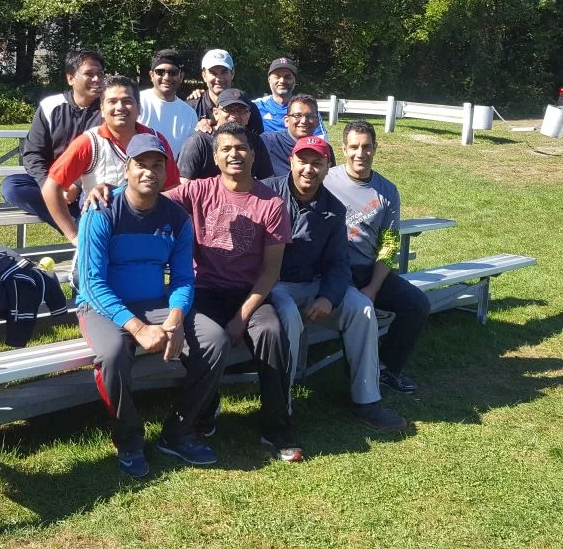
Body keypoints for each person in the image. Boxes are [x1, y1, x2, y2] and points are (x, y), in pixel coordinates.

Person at [76, 134, 227, 476]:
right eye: (141, 164)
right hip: (101, 307)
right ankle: (129, 440)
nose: (149, 172)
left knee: (215, 340)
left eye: (158, 165)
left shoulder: (176, 217)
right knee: (113, 354)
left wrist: (174, 319)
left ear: (167, 171)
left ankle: (178, 431)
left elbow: (184, 279)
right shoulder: (101, 210)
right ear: (126, 169)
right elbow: (91, 283)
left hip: (156, 304)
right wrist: (138, 328)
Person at [163, 123, 301, 462]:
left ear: (253, 154)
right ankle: (199, 417)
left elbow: (271, 272)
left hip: (249, 293)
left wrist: (242, 317)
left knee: (271, 331)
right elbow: (148, 198)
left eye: (241, 148)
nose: (234, 154)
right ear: (215, 156)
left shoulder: (271, 203)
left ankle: (276, 426)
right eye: (225, 148)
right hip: (204, 290)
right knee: (213, 340)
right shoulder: (197, 191)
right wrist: (108, 192)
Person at [263, 136, 408, 431]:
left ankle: (367, 401)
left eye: (317, 163)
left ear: (328, 167)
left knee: (363, 309)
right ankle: (282, 409)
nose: (309, 169)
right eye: (302, 161)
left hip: (316, 284)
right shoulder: (267, 193)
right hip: (274, 283)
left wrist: (329, 297)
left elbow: (338, 263)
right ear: (291, 161)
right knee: (288, 316)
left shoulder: (333, 207)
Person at [324, 120, 430, 394]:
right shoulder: (327, 180)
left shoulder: (387, 190)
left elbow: (389, 243)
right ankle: (358, 376)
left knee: (417, 304)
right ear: (344, 149)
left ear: (375, 148)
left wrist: (374, 286)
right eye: (354, 147)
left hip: (369, 270)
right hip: (334, 270)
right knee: (360, 310)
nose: (361, 153)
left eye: (367, 147)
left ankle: (389, 369)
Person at [43, 76, 180, 245]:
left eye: (127, 101)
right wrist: (74, 236)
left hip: (147, 237)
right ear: (101, 108)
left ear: (139, 107)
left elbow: (173, 190)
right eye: (112, 101)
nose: (119, 107)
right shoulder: (89, 142)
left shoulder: (156, 141)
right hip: (101, 238)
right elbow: (51, 188)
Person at [1, 50, 104, 228]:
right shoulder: (51, 106)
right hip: (52, 180)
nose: (96, 79)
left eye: (100, 74)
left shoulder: (108, 109)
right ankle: (74, 225)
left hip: (89, 183)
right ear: (71, 78)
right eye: (89, 74)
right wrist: (50, 188)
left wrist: (76, 186)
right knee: (12, 187)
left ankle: (78, 223)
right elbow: (33, 153)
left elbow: (105, 155)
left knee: (106, 198)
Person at [176, 88, 273, 181]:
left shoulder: (255, 142)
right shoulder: (199, 141)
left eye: (241, 110)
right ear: (216, 113)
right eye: (229, 109)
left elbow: (268, 180)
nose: (235, 115)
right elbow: (183, 184)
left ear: (249, 115)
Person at [137, 49, 199, 156]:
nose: (166, 77)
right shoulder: (137, 102)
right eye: (160, 72)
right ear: (152, 75)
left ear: (181, 76)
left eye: (173, 72)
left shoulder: (189, 114)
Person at [189, 49, 264, 136]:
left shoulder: (248, 108)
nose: (219, 79)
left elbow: (258, 145)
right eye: (213, 73)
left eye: (224, 72)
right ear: (204, 75)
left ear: (232, 73)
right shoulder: (191, 109)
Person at [253, 57, 327, 137]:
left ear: (294, 81)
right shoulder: (256, 106)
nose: (282, 81)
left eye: (287, 77)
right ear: (269, 80)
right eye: (277, 76)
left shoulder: (308, 108)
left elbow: (321, 139)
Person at [259, 94, 325, 177]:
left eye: (310, 116)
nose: (304, 121)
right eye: (297, 116)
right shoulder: (267, 142)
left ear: (317, 122)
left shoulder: (323, 149)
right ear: (286, 120)